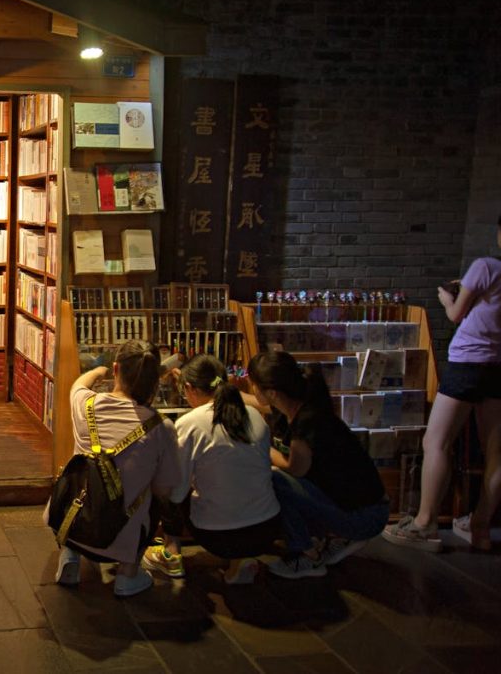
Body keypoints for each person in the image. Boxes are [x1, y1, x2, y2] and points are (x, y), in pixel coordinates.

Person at [382, 217, 501, 552]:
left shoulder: (486, 266)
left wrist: (448, 298)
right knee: (496, 452)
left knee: (436, 441)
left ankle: (424, 524)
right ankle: (480, 528)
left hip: (468, 363)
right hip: (498, 368)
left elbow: (456, 315)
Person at [49, 339, 181, 597]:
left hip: (74, 524)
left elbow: (78, 385)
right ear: (156, 379)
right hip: (122, 533)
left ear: (117, 369)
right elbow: (165, 490)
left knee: (81, 482)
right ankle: (127, 575)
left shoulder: (85, 404)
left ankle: (70, 556)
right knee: (155, 497)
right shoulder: (160, 427)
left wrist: (99, 371)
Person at [248, 351, 389, 578]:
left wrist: (260, 447)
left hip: (365, 517)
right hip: (361, 505)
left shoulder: (308, 421)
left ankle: (308, 555)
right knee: (278, 480)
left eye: (253, 384)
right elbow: (257, 401)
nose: (252, 388)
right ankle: (333, 539)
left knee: (275, 479)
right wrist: (222, 394)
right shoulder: (295, 404)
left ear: (272, 393)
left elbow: (295, 468)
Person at [143, 354, 281, 585]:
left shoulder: (191, 422)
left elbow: (176, 493)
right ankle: (240, 561)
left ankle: (171, 553)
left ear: (189, 388)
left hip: (219, 536)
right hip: (267, 529)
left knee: (166, 480)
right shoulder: (254, 414)